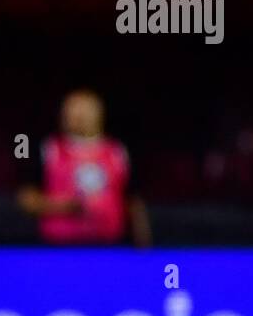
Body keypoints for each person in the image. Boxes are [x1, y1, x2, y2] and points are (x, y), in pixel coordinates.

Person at [16, 89, 151, 247]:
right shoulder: (47, 150)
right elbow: (25, 198)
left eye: (84, 109)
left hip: (109, 247)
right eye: (71, 110)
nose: (78, 116)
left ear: (99, 113)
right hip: (58, 248)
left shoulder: (118, 152)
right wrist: (60, 206)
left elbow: (133, 200)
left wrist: (143, 241)